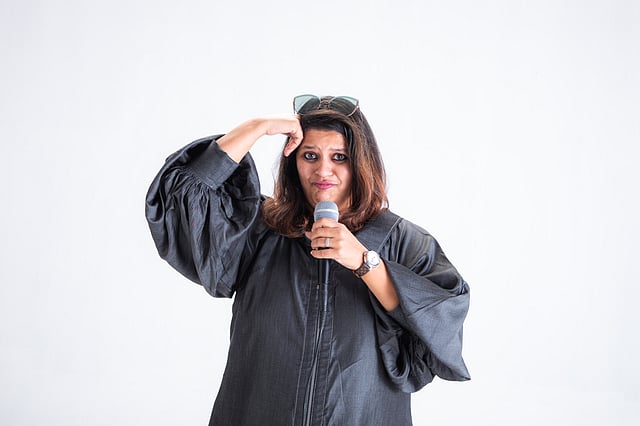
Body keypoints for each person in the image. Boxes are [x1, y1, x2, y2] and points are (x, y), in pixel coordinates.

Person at [145, 95, 471, 426]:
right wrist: (255, 127)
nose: (323, 170)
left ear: (361, 163)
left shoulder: (403, 241)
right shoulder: (260, 230)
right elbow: (182, 195)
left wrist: (364, 261)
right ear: (293, 161)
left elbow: (440, 324)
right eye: (310, 155)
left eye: (339, 157)